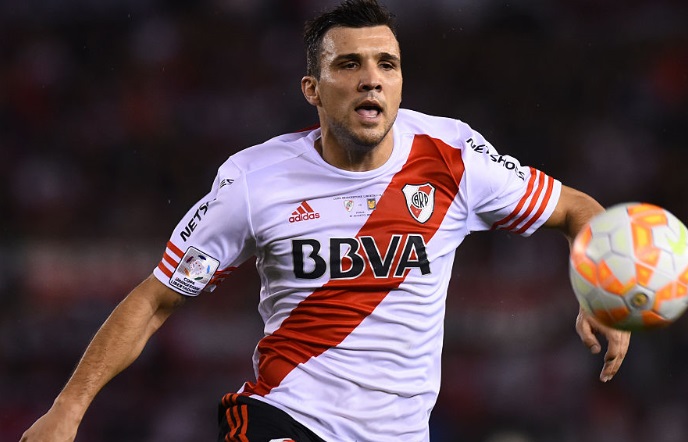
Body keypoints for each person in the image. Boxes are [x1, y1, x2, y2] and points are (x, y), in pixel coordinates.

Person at [21, 0, 631, 441]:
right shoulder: (256, 180)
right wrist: (68, 409)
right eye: (350, 65)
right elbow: (157, 298)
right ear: (312, 89)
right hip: (285, 416)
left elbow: (577, 210)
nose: (371, 79)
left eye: (387, 64)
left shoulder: (454, 158)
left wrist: (601, 291)